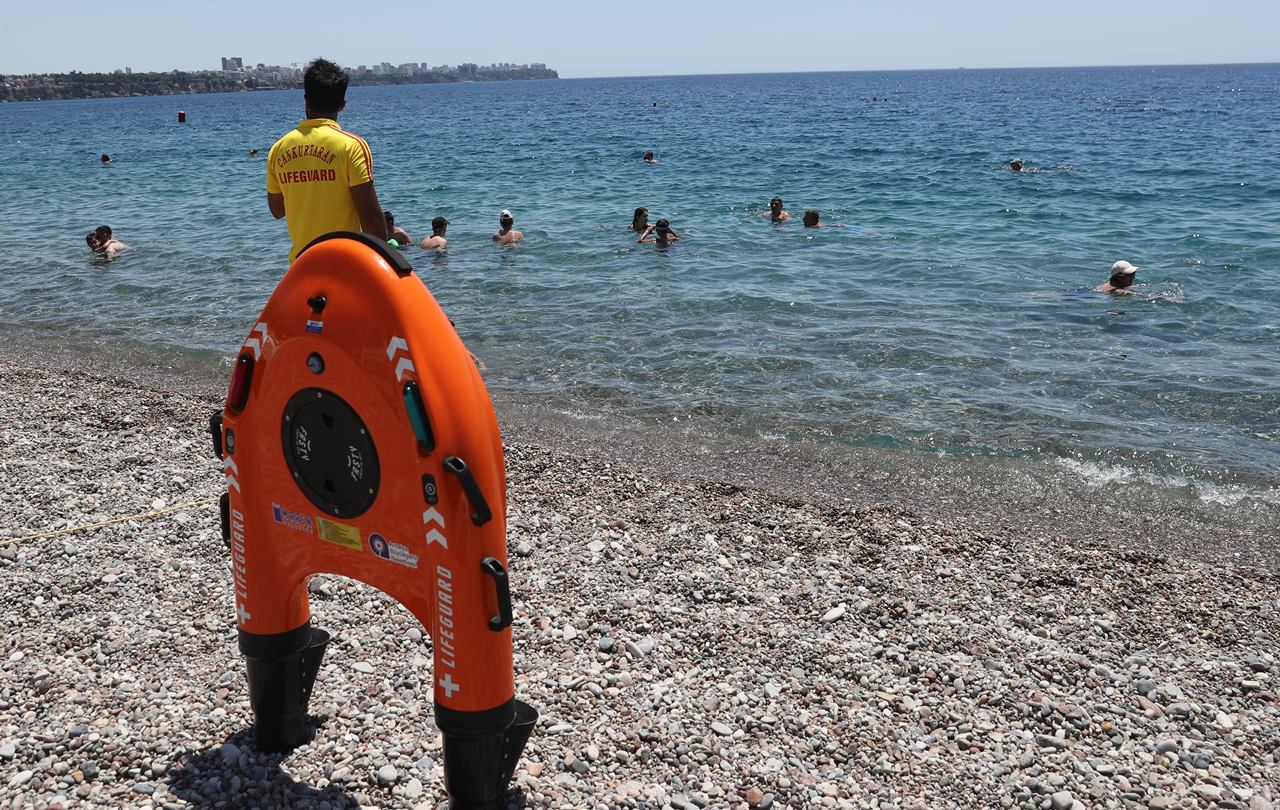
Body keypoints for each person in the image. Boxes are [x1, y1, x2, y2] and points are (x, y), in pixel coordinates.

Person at [266, 57, 387, 262]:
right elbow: (371, 218)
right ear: (342, 105)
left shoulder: (278, 149)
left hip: (302, 266)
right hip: (344, 264)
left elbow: (277, 211)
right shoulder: (352, 145)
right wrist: (386, 266)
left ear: (306, 99)